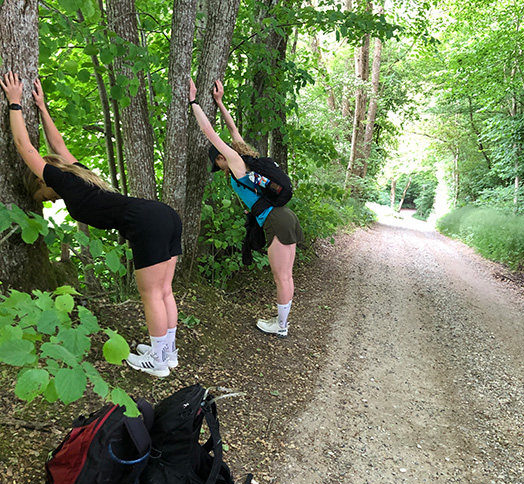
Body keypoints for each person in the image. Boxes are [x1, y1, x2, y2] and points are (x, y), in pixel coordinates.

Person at [1, 71, 181, 377]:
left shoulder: (63, 182)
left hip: (145, 221)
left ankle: (159, 363)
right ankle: (166, 352)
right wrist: (42, 109)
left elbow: (24, 147)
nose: (48, 200)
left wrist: (15, 103)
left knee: (153, 294)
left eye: (41, 195)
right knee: (164, 291)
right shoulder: (79, 175)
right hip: (163, 214)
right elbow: (58, 145)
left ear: (42, 180)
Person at [189, 78, 303, 337]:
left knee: (282, 277)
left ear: (221, 158)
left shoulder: (236, 164)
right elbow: (233, 130)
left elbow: (210, 132)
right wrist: (219, 102)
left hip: (277, 220)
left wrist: (193, 101)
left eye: (216, 163)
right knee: (284, 276)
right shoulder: (247, 158)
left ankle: (282, 326)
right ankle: (282, 321)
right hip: (282, 217)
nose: (218, 168)